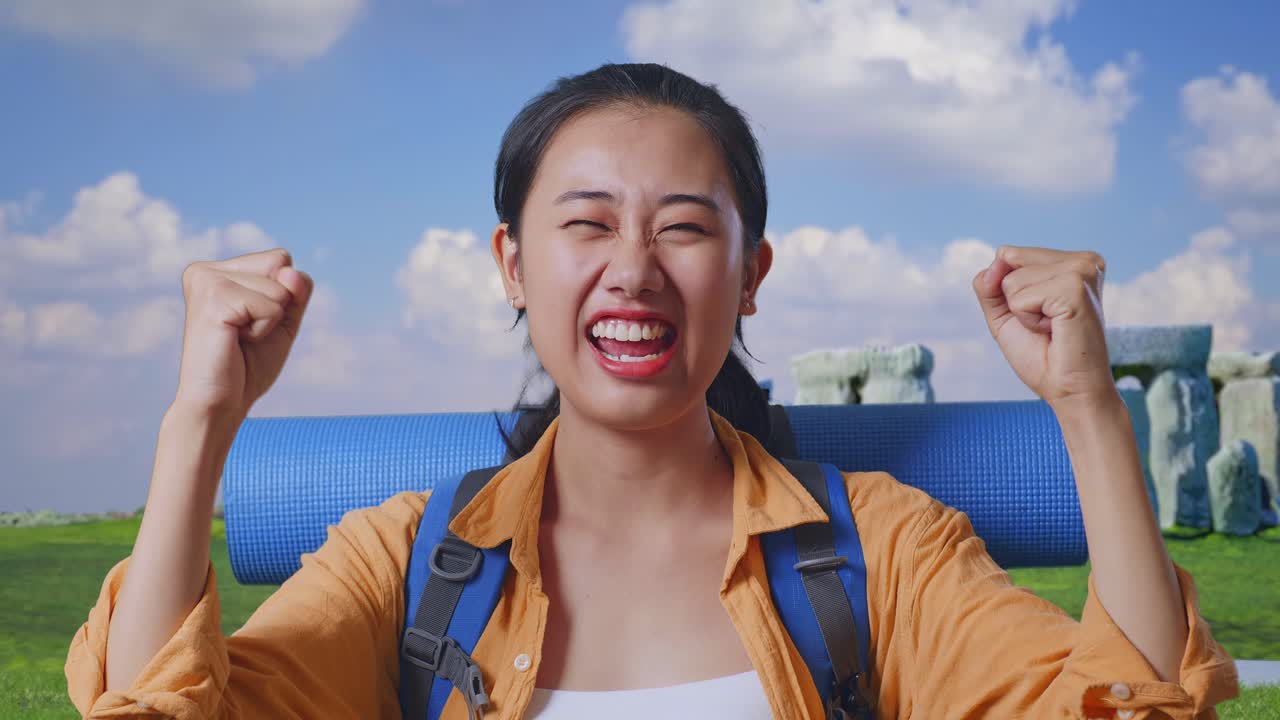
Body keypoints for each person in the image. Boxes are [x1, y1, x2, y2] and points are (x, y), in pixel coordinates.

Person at [65, 63, 1239, 719]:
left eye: (683, 227)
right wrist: (198, 425)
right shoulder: (407, 565)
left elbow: (1133, 709)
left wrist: (1088, 410)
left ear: (749, 277)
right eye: (584, 225)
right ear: (512, 268)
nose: (632, 268)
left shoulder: (878, 552)